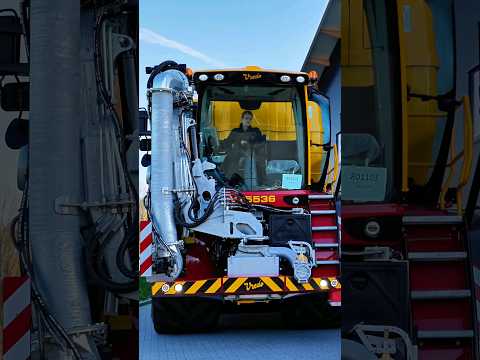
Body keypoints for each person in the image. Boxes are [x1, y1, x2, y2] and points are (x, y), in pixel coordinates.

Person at [221, 111, 267, 186]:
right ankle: (230, 183)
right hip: (236, 157)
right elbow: (228, 143)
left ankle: (262, 184)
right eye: (246, 118)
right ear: (242, 119)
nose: (248, 120)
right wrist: (238, 144)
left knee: (259, 164)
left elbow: (260, 143)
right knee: (228, 163)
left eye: (250, 119)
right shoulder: (235, 132)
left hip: (252, 157)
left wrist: (249, 144)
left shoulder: (255, 131)